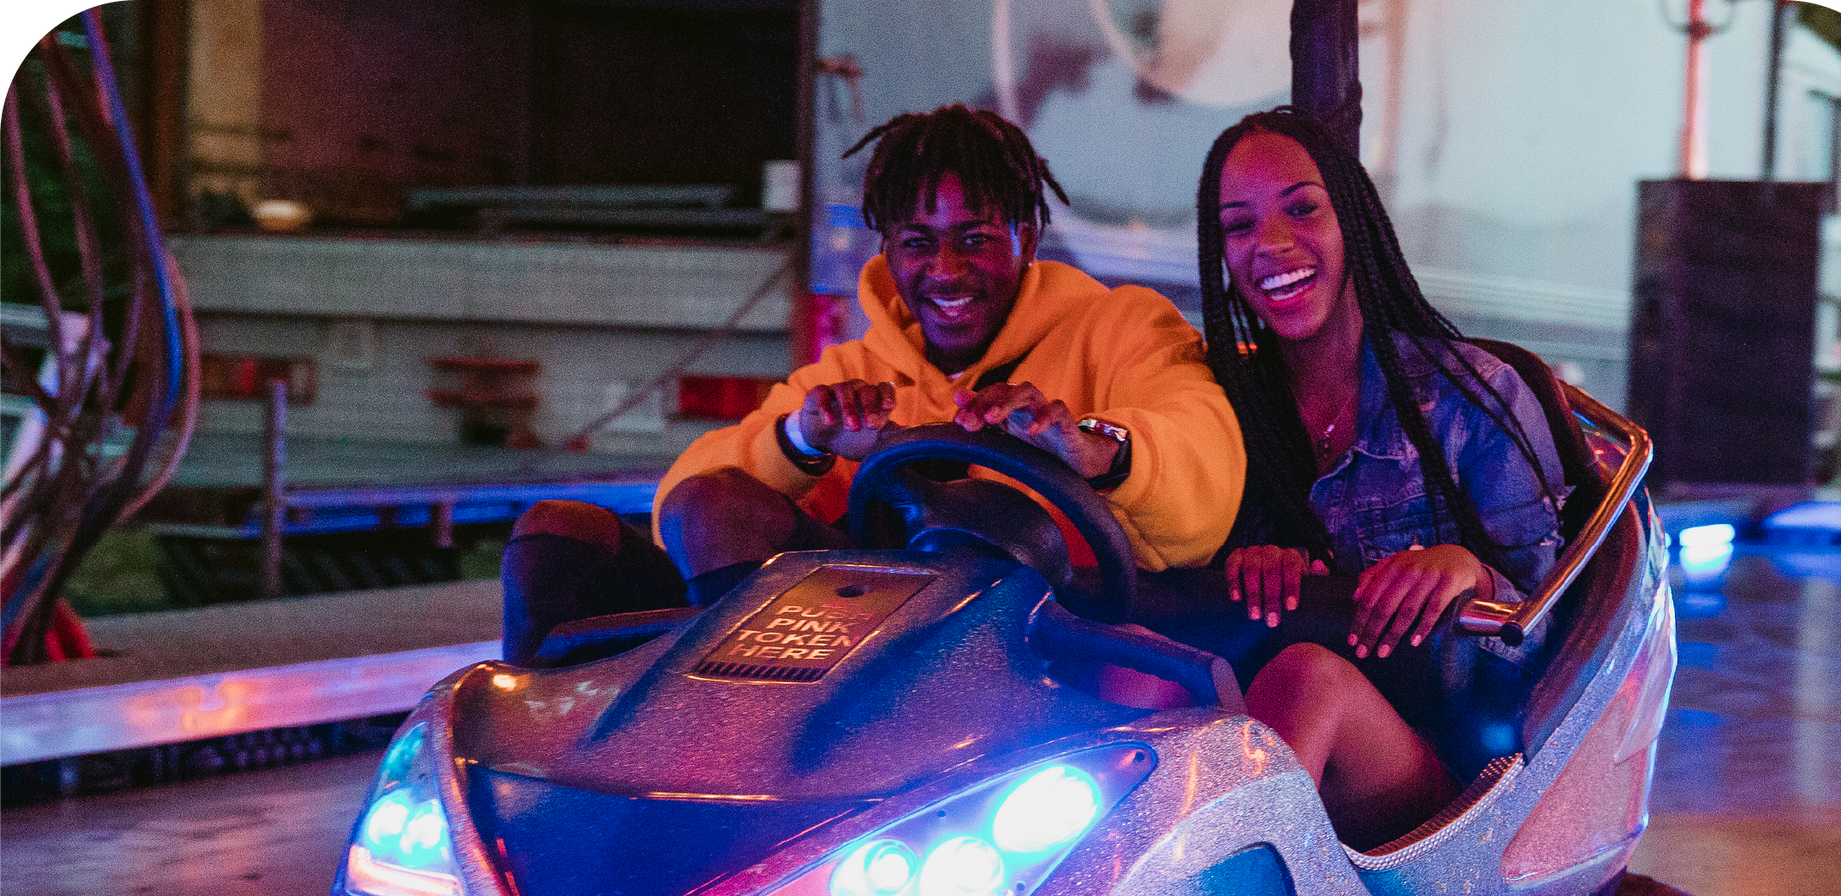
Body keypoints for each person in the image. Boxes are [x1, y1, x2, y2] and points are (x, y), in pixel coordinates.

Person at [499, 104, 1245, 664]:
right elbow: (684, 505)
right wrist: (805, 440)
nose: (946, 271)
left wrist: (1095, 448)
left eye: (976, 239)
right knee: (561, 532)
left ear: (1028, 235)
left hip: (1044, 661)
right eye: (919, 244)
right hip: (864, 674)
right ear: (890, 251)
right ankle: (550, 771)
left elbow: (1207, 464)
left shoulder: (1117, 328)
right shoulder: (859, 372)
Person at [1186, 106, 1567, 849]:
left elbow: (1558, 632)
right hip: (1259, 753)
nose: (1270, 244)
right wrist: (1246, 569)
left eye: (1301, 209)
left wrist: (1472, 575)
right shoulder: (1222, 412)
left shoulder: (1468, 399)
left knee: (1309, 677)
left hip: (1449, 791)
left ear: (1352, 219)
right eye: (1238, 227)